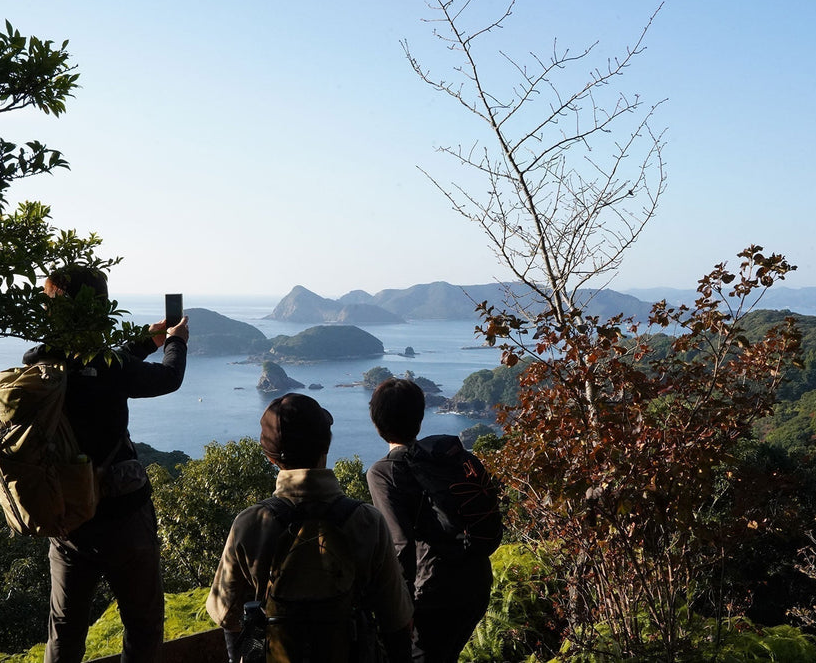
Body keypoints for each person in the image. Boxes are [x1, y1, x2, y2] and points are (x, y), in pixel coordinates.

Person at [31, 265, 189, 663]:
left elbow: (99, 366)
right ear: (99, 308)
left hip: (67, 517)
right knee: (143, 623)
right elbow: (167, 378)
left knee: (65, 628)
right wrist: (176, 342)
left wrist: (147, 341)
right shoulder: (108, 368)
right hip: (123, 514)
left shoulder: (39, 361)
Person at [207, 393, 413, 662]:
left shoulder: (250, 523)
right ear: (325, 446)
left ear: (270, 457)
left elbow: (227, 616)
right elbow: (396, 621)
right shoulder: (367, 521)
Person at [366, 378, 493, 663]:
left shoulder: (384, 472)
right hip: (476, 581)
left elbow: (400, 545)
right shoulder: (449, 458)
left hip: (433, 592)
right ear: (420, 418)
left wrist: (401, 610)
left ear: (376, 421)